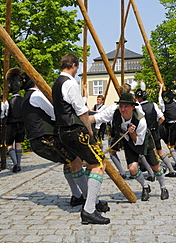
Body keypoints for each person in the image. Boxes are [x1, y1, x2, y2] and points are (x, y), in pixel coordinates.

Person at [6, 67, 92, 209]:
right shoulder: (37, 96)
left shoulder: (27, 97)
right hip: (46, 139)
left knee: (69, 162)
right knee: (76, 161)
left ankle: (76, 196)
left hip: (40, 141)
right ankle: (90, 199)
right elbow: (55, 114)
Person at [52, 53, 110, 225]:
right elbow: (82, 111)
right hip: (75, 130)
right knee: (99, 164)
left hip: (62, 131)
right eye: (77, 67)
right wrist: (90, 131)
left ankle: (88, 200)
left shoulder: (56, 83)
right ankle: (89, 209)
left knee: (76, 163)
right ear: (74, 65)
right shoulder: (70, 83)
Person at [91, 92, 169, 201]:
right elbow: (97, 117)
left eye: (126, 107)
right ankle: (145, 187)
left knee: (155, 166)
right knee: (132, 169)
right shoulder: (115, 111)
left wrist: (132, 133)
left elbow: (138, 141)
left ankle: (163, 188)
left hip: (144, 141)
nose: (123, 110)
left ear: (133, 107)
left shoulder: (140, 120)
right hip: (128, 141)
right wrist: (83, 122)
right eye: (121, 106)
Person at [135, 88, 176, 178]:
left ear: (138, 98)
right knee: (160, 151)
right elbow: (162, 118)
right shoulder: (153, 104)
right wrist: (156, 125)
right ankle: (171, 170)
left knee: (144, 154)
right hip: (155, 131)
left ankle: (151, 174)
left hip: (145, 133)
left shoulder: (137, 107)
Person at [6, 78, 25, 173]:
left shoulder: (8, 102)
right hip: (21, 123)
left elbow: (4, 113)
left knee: (9, 144)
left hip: (11, 123)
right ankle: (19, 163)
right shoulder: (23, 100)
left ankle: (15, 164)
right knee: (18, 143)